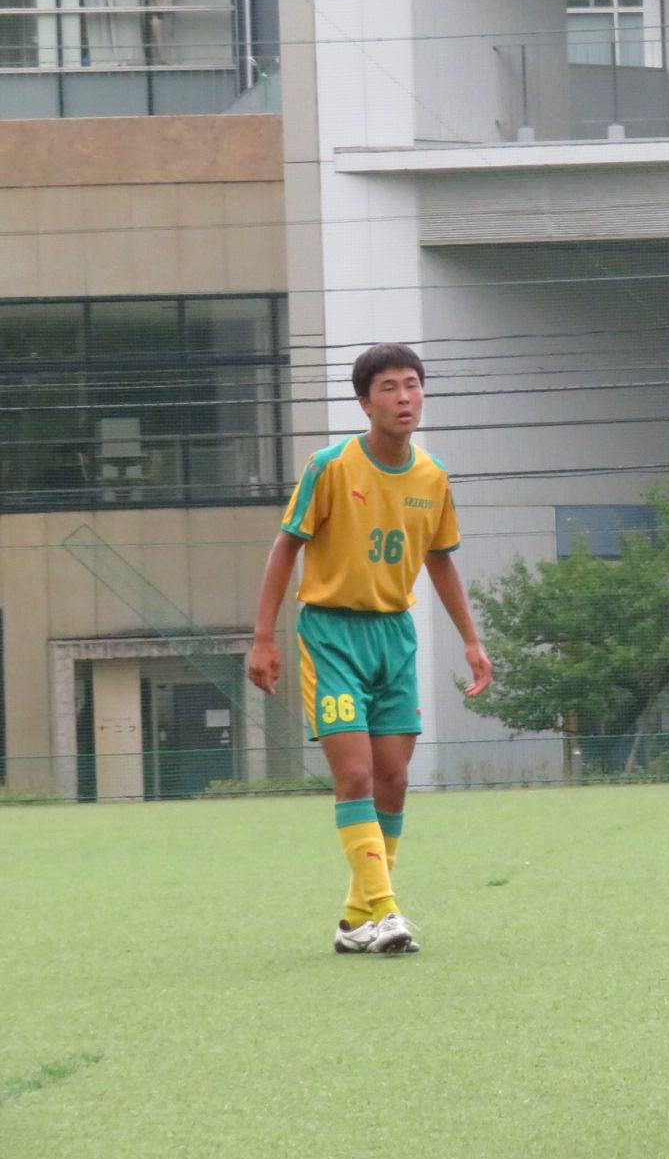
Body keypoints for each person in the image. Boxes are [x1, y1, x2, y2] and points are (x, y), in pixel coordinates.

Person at [246, 343, 493, 956]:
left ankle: (356, 921)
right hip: (331, 634)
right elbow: (286, 546)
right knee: (354, 775)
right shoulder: (330, 466)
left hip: (394, 636)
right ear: (364, 402)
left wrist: (471, 639)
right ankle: (385, 911)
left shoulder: (433, 477)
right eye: (388, 387)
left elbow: (440, 560)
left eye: (412, 384)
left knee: (394, 781)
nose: (404, 397)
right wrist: (263, 638)